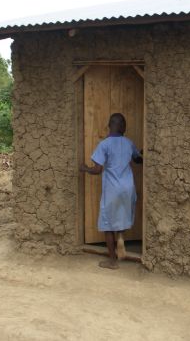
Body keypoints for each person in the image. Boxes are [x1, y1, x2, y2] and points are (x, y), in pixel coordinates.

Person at [80, 113, 143, 270]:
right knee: (121, 214)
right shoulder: (129, 143)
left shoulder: (104, 144)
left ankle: (112, 261)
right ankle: (120, 236)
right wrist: (144, 152)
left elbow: (97, 169)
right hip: (128, 188)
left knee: (107, 224)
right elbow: (138, 159)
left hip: (113, 189)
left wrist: (85, 168)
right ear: (124, 127)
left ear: (109, 125)